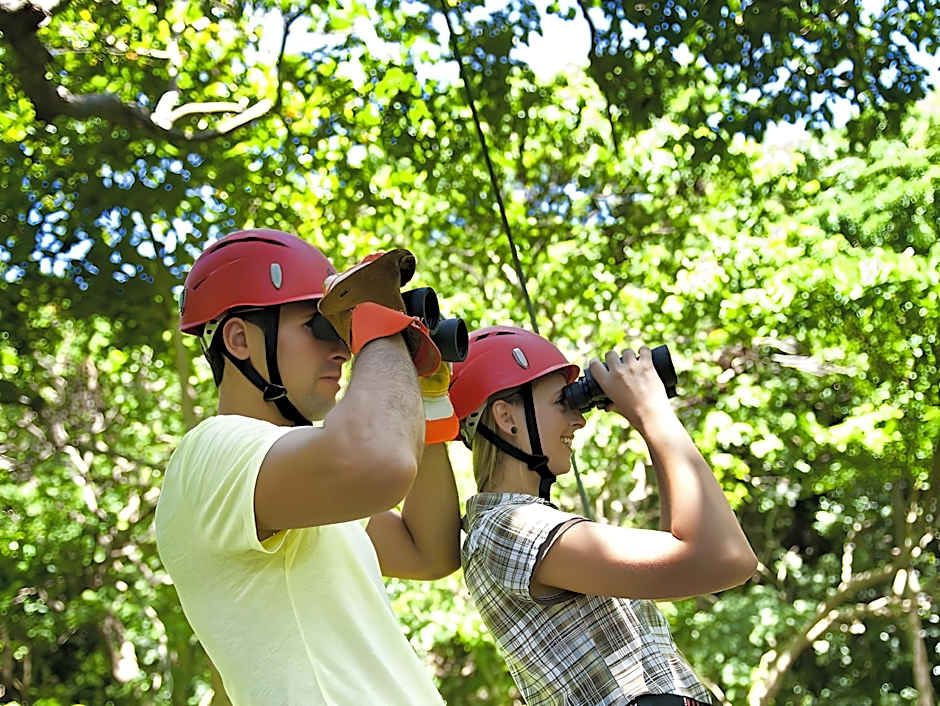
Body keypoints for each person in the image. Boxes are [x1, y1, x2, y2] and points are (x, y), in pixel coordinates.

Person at [155, 228, 460, 705]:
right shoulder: (210, 454)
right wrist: (381, 325)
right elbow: (379, 460)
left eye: (345, 331)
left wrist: (425, 393)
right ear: (239, 339)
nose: (342, 349)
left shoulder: (297, 481)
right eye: (321, 327)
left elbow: (430, 551)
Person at [449, 325, 757, 706]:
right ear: (506, 417)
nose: (579, 420)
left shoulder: (523, 527)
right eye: (563, 402)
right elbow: (725, 560)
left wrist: (648, 421)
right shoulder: (507, 529)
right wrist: (652, 412)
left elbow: (683, 554)